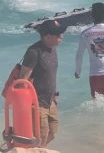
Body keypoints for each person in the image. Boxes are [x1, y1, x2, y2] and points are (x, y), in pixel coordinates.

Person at [19, 19, 66, 147]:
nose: (62, 36)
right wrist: (26, 106)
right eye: (58, 34)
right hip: (37, 103)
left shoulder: (52, 49)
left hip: (51, 101)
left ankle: (39, 149)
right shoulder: (34, 52)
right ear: (47, 36)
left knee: (53, 133)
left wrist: (54, 96)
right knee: (40, 136)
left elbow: (49, 76)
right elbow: (22, 80)